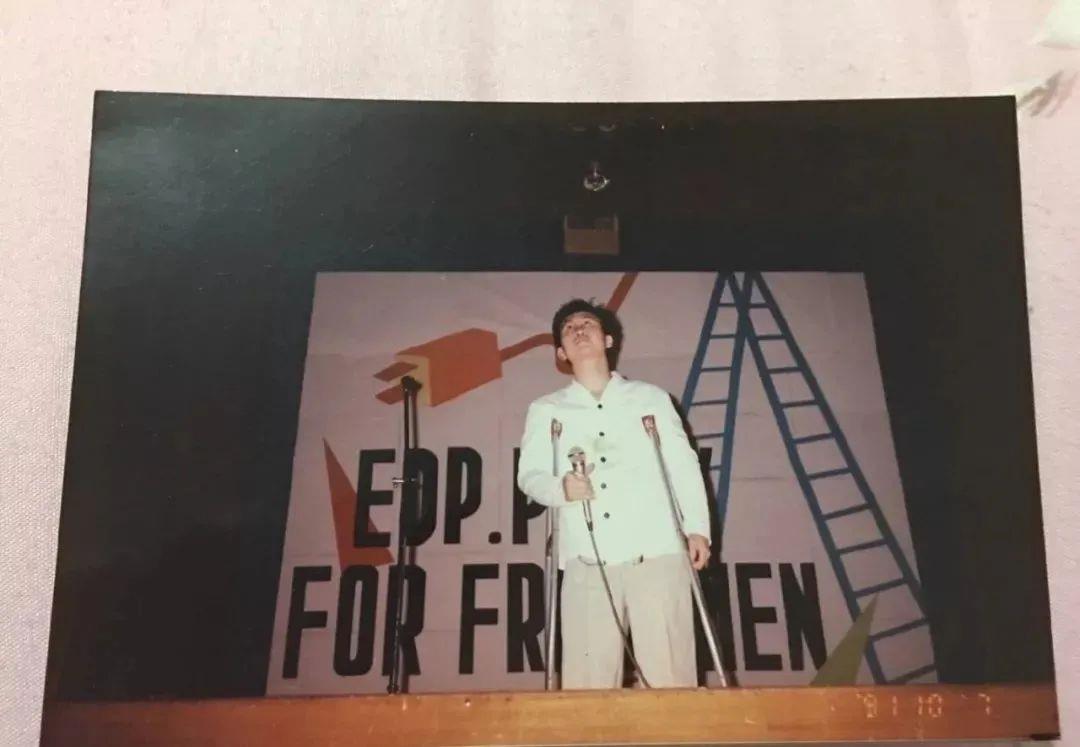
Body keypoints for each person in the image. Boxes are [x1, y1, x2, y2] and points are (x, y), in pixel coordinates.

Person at [516, 298, 712, 689]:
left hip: (656, 551)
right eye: (568, 329)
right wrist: (560, 488)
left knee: (671, 678)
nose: (578, 331)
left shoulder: (650, 398)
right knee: (588, 685)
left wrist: (697, 528)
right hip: (588, 561)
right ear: (561, 352)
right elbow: (529, 475)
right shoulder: (546, 409)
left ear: (608, 339)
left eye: (587, 323)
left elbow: (683, 464)